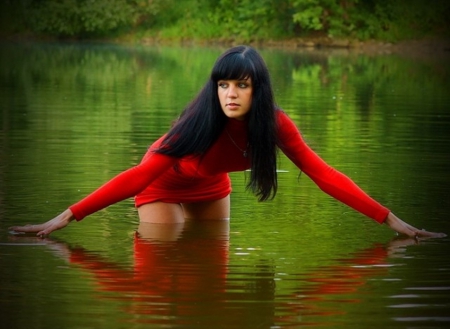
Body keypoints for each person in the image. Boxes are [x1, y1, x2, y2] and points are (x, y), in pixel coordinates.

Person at [9, 46, 446, 239]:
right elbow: (138, 175)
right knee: (167, 246)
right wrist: (63, 218)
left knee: (211, 259)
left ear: (259, 89)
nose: (231, 93)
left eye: (241, 84)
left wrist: (393, 222)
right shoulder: (194, 126)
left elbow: (325, 175)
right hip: (161, 187)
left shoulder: (275, 125)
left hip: (212, 187)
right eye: (222, 85)